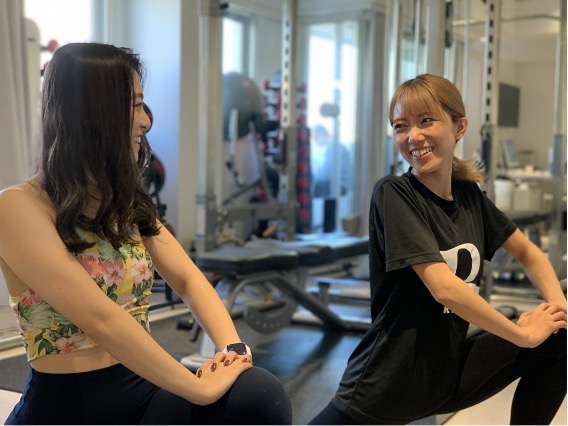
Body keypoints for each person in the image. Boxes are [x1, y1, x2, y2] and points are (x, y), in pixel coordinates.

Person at [0, 43, 291, 425]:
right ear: (97, 112)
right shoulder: (17, 206)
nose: (146, 121)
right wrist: (199, 388)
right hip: (65, 409)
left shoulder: (123, 201)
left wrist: (233, 350)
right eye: (136, 105)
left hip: (142, 393)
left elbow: (187, 279)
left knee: (257, 394)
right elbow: (101, 320)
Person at [309, 74, 566, 425]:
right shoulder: (394, 194)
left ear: (459, 127)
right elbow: (444, 289)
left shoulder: (470, 197)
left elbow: (528, 252)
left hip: (448, 374)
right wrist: (522, 334)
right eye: (401, 126)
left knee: (559, 338)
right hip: (387, 387)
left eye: (426, 120)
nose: (413, 136)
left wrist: (560, 311)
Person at [311, 124, 350, 198]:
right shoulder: (334, 146)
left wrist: (314, 178)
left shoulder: (334, 147)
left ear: (323, 134)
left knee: (312, 188)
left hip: (341, 186)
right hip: (338, 183)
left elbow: (327, 170)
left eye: (316, 137)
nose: (315, 140)